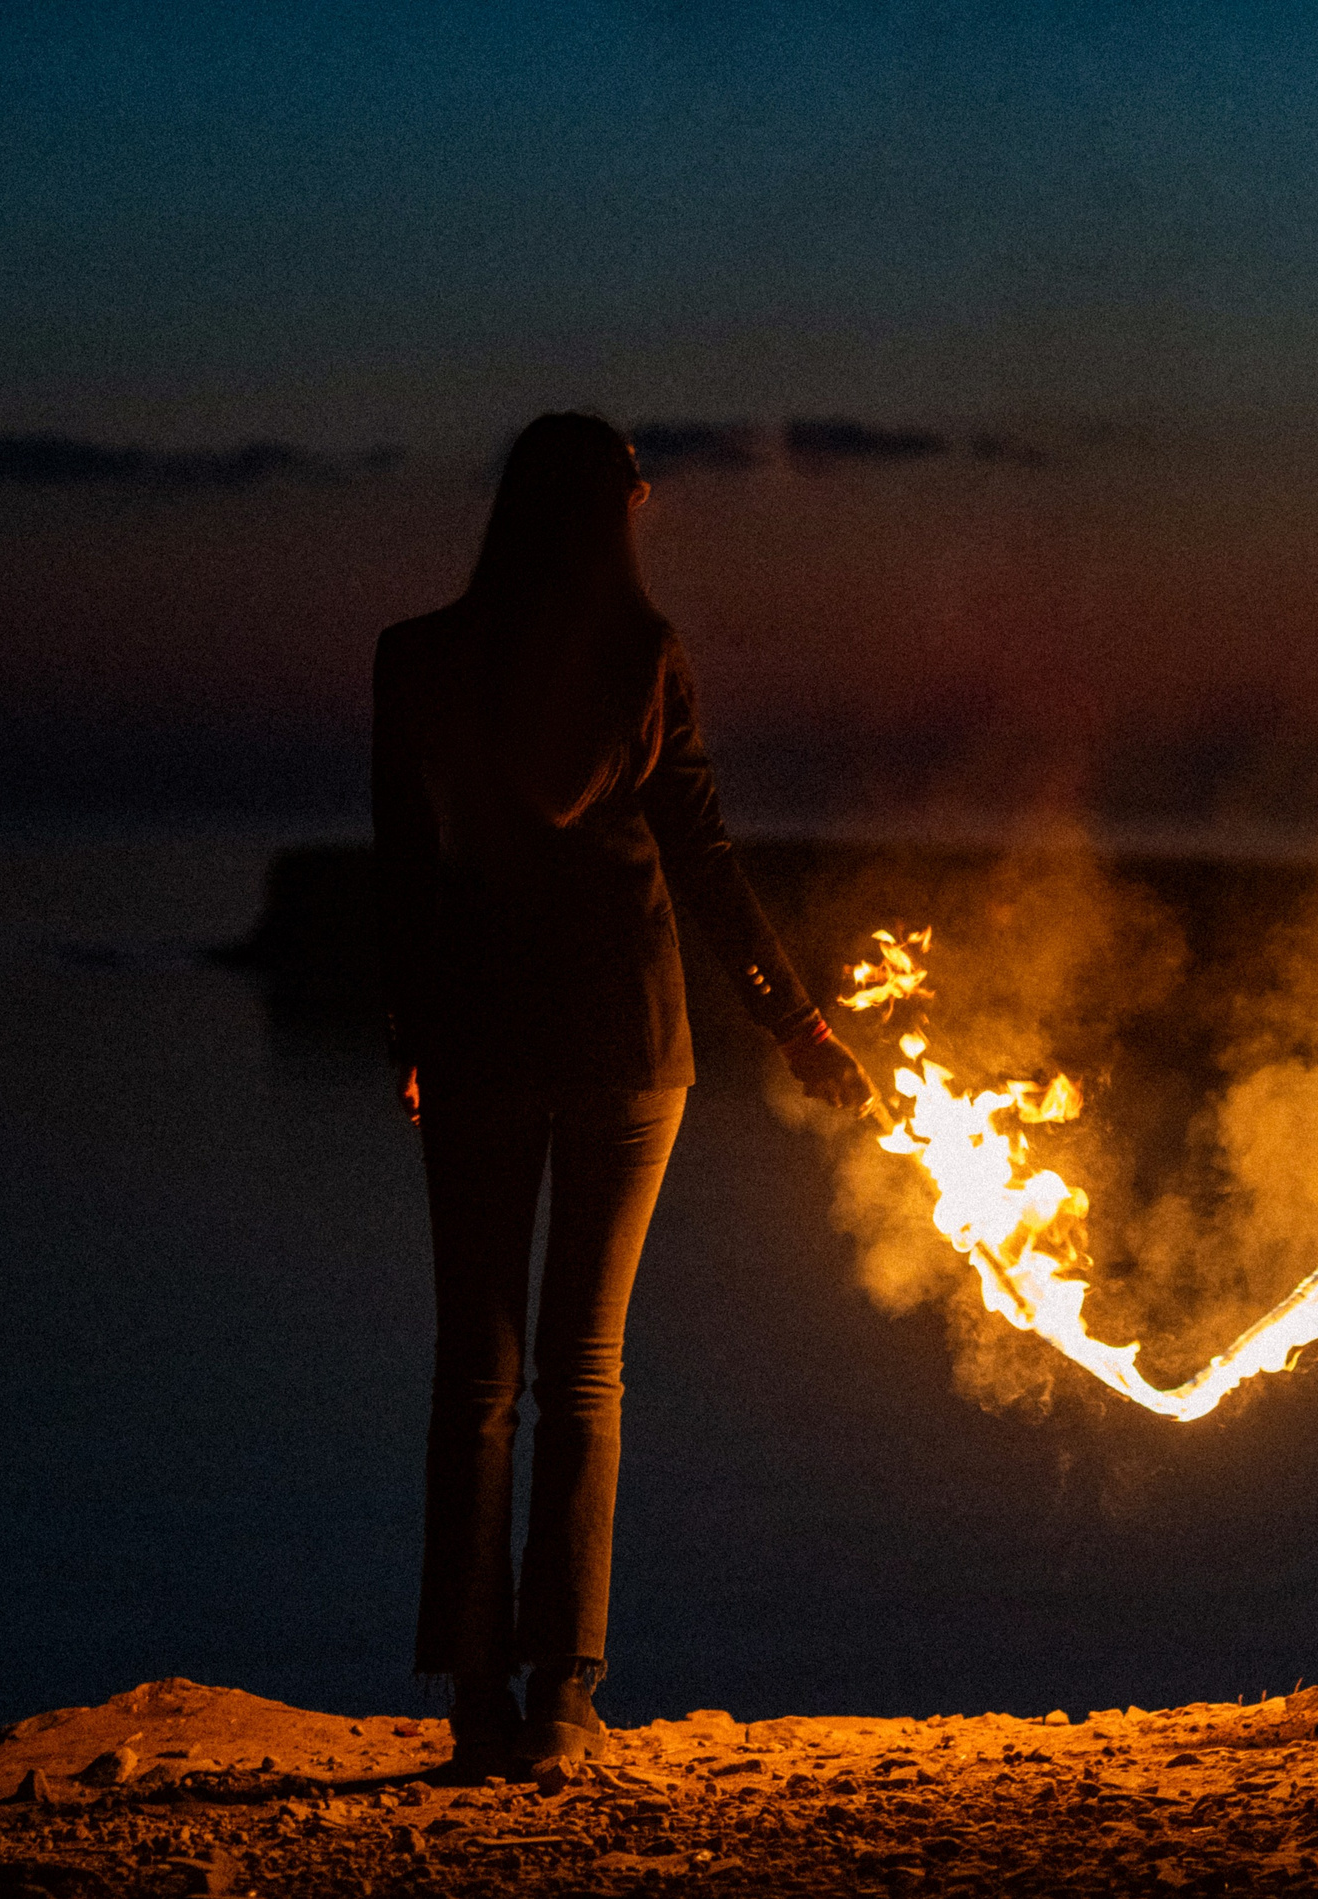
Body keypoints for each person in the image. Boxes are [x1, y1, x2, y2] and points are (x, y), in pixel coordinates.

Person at [373, 412, 874, 1776]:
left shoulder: (417, 659)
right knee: (583, 1371)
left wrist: (413, 1031)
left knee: (476, 1369)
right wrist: (800, 1027)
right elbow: (702, 857)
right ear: (612, 511)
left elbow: (402, 872)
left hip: (479, 1036)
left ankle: (474, 1698)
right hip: (624, 1039)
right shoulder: (643, 659)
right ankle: (563, 1702)